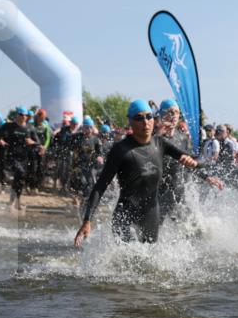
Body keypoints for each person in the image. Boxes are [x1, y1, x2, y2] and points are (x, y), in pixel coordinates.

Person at [75, 100, 223, 246]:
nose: (145, 122)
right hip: (134, 207)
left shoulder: (165, 141)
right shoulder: (125, 147)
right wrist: (88, 220)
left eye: (148, 117)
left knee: (151, 257)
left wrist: (204, 173)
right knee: (126, 258)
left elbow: (189, 159)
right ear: (131, 121)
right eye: (139, 118)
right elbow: (100, 186)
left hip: (157, 205)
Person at [0, 107, 42, 210]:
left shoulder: (30, 128)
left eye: (25, 115)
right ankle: (14, 200)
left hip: (24, 158)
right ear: (17, 115)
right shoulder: (9, 126)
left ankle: (14, 201)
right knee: (20, 173)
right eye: (21, 115)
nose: (23, 117)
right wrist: (0, 141)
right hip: (11, 156)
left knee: (20, 180)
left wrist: (33, 143)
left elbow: (38, 143)